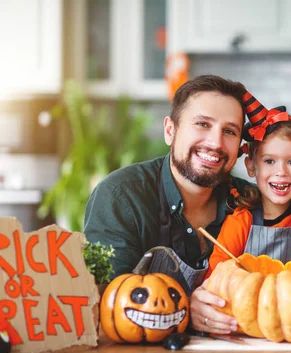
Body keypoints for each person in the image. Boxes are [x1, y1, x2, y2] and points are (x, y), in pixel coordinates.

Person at [83, 75, 251, 304]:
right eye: (203, 124)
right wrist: (187, 311)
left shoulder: (251, 201)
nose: (216, 143)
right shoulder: (119, 196)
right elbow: (112, 303)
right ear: (170, 131)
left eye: (230, 131)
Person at [205, 93, 291, 279]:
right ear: (251, 166)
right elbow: (216, 277)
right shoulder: (241, 221)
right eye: (269, 161)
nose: (281, 171)